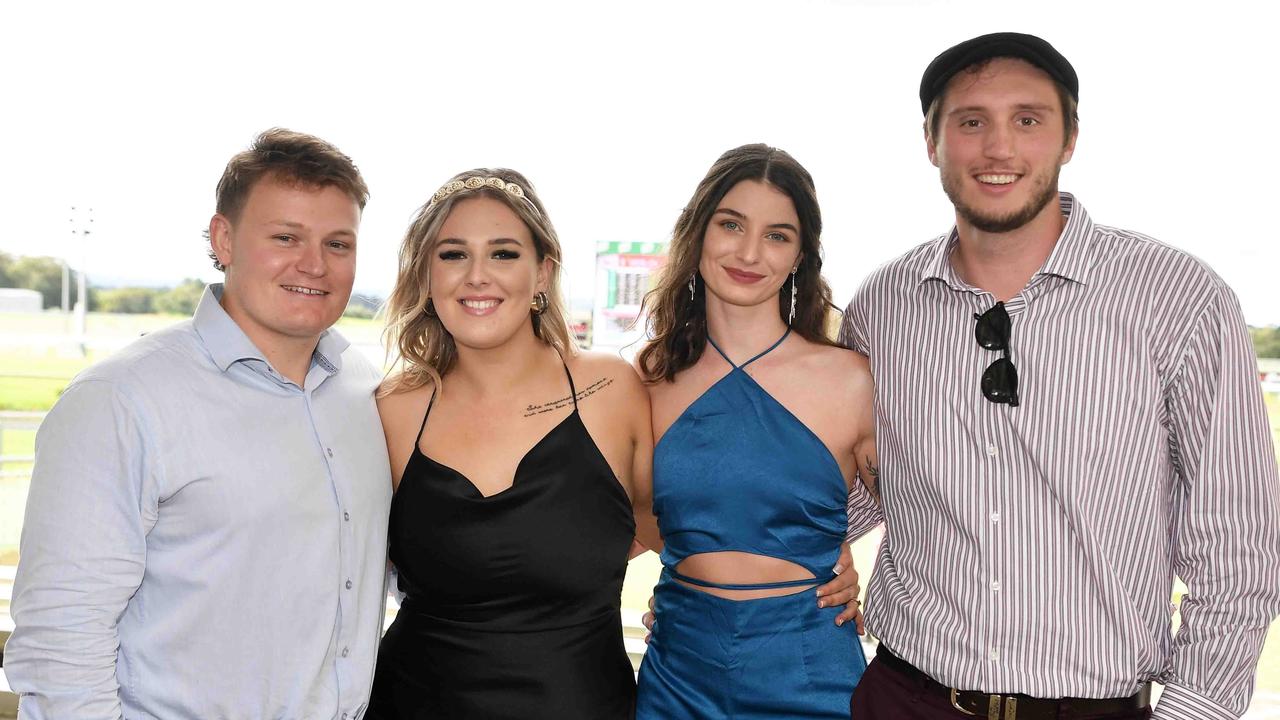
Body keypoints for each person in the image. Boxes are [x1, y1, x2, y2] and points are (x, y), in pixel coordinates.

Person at [842, 32, 1280, 720]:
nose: (999, 149)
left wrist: (1196, 709)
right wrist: (724, 581)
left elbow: (1237, 539)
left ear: (1070, 138)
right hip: (903, 696)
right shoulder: (881, 306)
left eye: (1028, 120)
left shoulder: (1181, 297)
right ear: (931, 142)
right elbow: (851, 486)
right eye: (971, 122)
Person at [5, 129, 391, 719]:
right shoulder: (121, 400)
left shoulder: (363, 388)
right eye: (285, 237)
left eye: (338, 243)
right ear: (224, 238)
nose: (314, 264)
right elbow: (61, 636)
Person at [366, 169, 657, 719]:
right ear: (426, 276)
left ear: (542, 272)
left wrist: (818, 559)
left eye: (503, 254)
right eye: (453, 255)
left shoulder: (610, 390)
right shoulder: (391, 409)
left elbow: (680, 527)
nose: (478, 276)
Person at [634, 144, 876, 718]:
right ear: (698, 233)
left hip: (809, 669)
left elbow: (934, 515)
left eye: (777, 235)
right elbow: (633, 517)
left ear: (799, 255)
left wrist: (853, 563)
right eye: (731, 224)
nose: (749, 252)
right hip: (678, 669)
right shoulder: (649, 379)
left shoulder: (849, 378)